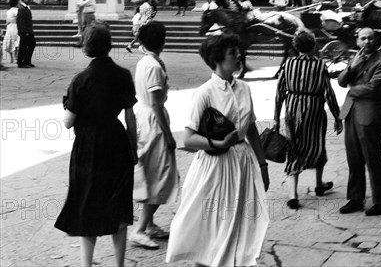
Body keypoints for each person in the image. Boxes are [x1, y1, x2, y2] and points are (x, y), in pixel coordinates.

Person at [166, 33, 269, 266]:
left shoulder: (244, 88)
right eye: (233, 53)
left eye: (237, 51)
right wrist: (219, 144)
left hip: (243, 163)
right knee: (212, 223)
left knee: (240, 222)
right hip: (214, 167)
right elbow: (189, 138)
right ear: (218, 59)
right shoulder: (204, 93)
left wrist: (262, 164)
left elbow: (251, 128)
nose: (239, 55)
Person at [54, 23, 138, 267]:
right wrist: (134, 148)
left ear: (86, 47)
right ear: (108, 44)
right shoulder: (123, 75)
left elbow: (69, 123)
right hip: (117, 142)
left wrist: (67, 105)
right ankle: (119, 263)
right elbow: (130, 116)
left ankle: (86, 264)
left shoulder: (80, 80)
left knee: (87, 201)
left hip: (89, 147)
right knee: (118, 202)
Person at [274, 30, 342, 209]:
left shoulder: (288, 64)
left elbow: (279, 92)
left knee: (294, 146)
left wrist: (275, 117)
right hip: (314, 110)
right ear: (313, 46)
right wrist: (338, 117)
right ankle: (319, 184)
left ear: (296, 47)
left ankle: (293, 195)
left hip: (292, 109)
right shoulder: (319, 65)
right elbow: (329, 93)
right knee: (317, 144)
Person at [129, 21, 179, 249]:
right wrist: (168, 135)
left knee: (153, 172)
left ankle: (148, 224)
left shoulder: (145, 62)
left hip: (146, 116)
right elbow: (157, 104)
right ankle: (139, 229)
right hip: (153, 120)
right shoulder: (154, 66)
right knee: (160, 174)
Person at [338, 27, 381, 216]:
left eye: (371, 38)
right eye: (363, 38)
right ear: (358, 41)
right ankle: (355, 198)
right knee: (354, 158)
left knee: (373, 158)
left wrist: (352, 89)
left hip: (370, 115)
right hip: (351, 112)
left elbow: (374, 88)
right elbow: (340, 81)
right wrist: (352, 67)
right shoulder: (355, 58)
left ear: (376, 40)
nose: (367, 42)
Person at [16, 0, 36, 68]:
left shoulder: (26, 7)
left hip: (29, 30)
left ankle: (27, 61)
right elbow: (21, 21)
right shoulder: (21, 9)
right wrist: (24, 31)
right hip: (25, 31)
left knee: (31, 45)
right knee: (23, 46)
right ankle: (21, 62)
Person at [3, 0, 20, 64]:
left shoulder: (8, 11)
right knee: (16, 43)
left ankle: (12, 58)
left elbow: (7, 21)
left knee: (9, 43)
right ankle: (16, 58)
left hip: (9, 27)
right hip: (16, 27)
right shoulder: (17, 11)